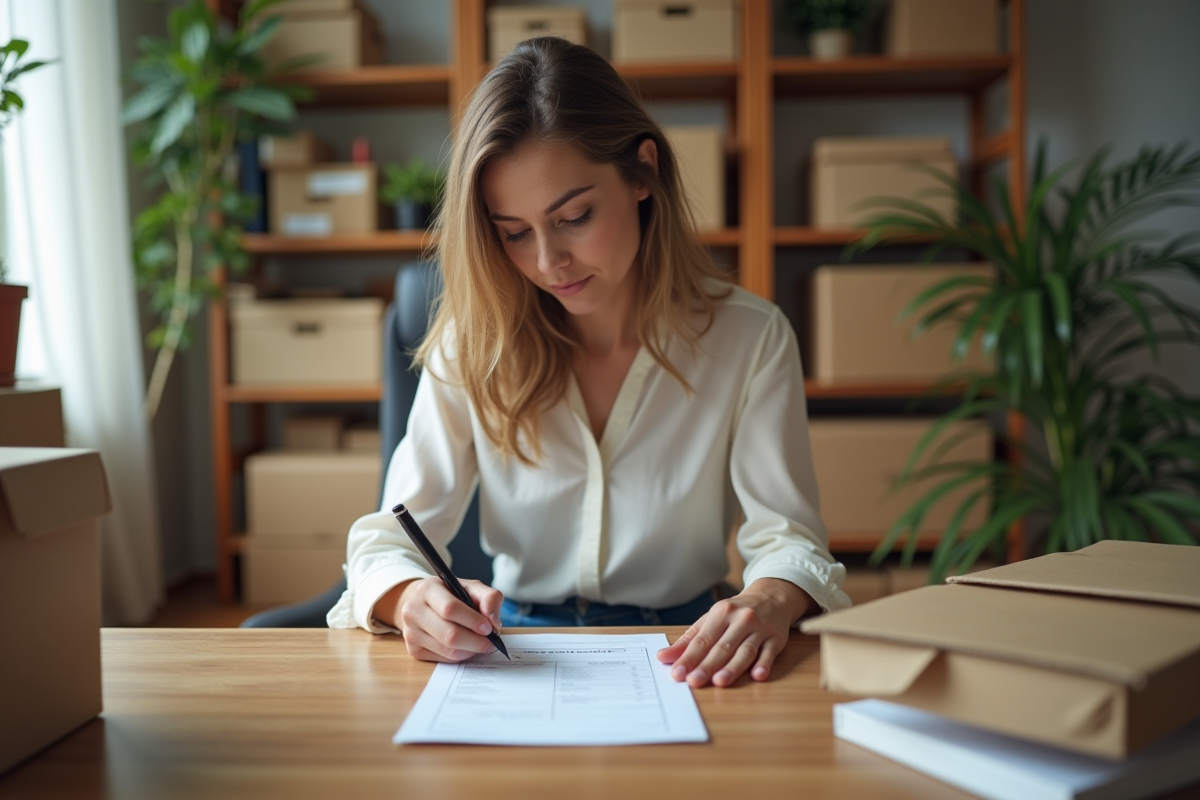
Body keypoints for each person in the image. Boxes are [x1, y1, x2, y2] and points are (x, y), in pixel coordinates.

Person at [327, 37, 850, 689]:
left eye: (573, 216)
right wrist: (407, 599)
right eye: (514, 232)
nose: (548, 262)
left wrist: (768, 599)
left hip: (688, 646)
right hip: (517, 652)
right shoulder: (474, 343)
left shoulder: (749, 337)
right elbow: (386, 540)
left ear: (641, 174)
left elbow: (791, 539)